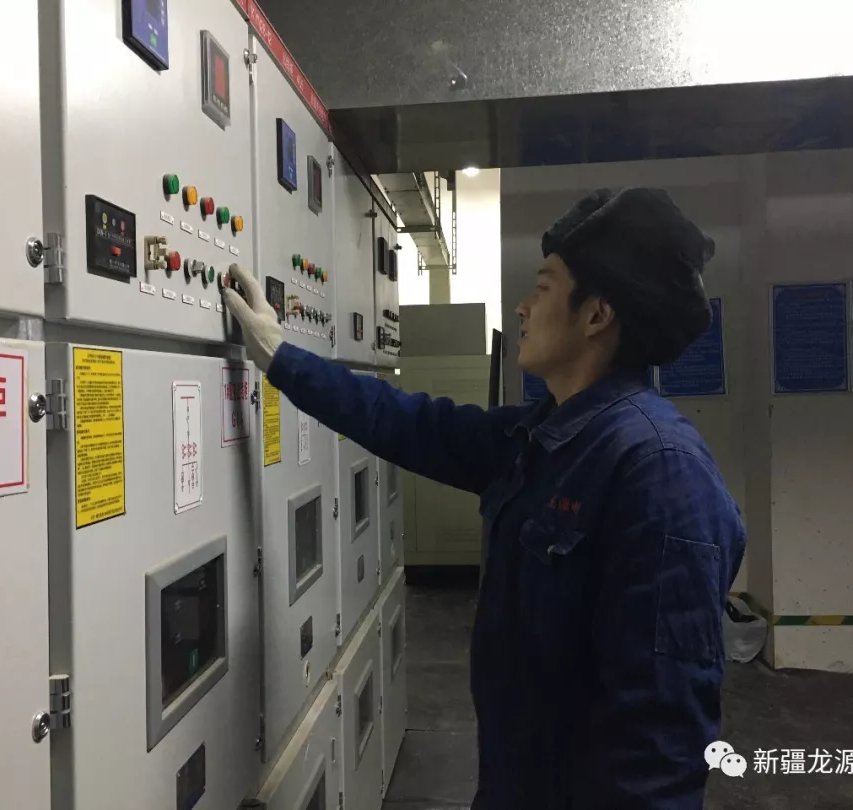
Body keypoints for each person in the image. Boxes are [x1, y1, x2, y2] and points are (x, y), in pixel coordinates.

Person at [222, 187, 746, 810]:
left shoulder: (660, 472)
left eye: (543, 289)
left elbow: (660, 746)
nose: (523, 307)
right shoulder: (543, 436)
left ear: (597, 315)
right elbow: (407, 422)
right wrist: (279, 355)